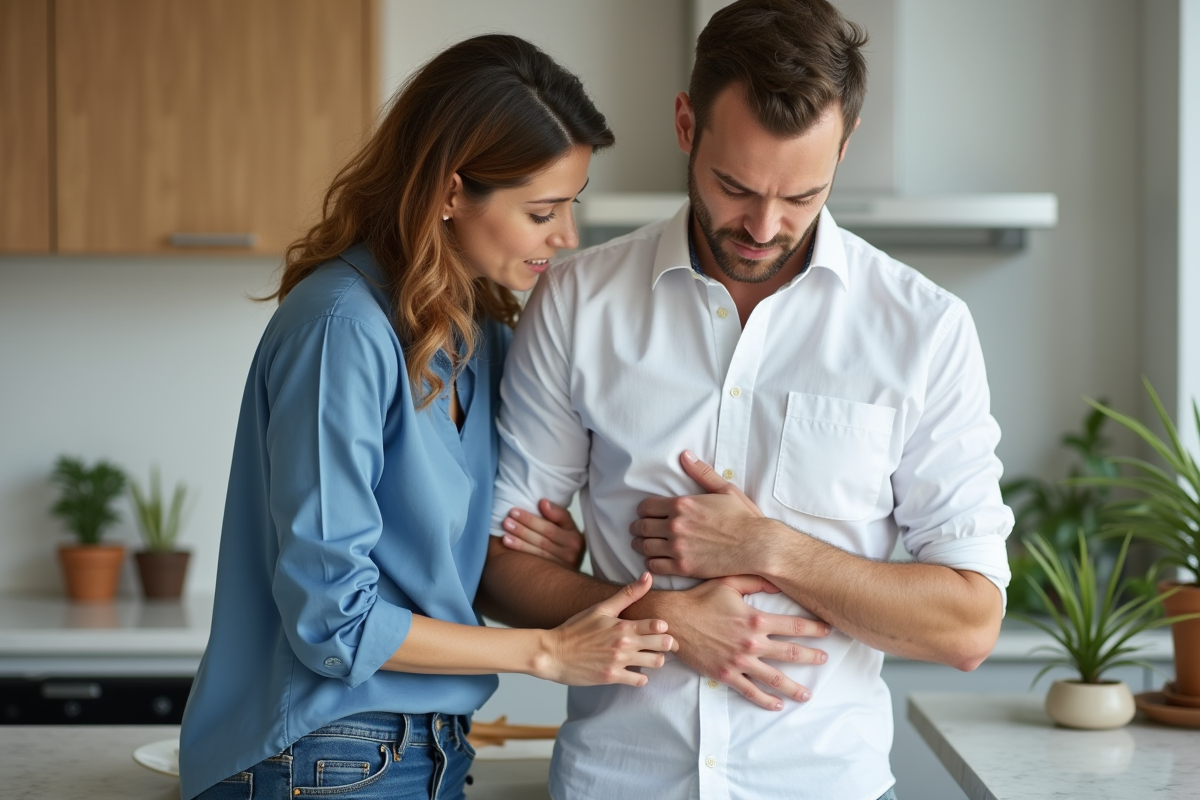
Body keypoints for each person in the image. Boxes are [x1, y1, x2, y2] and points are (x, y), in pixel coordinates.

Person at [480, 1, 1014, 799]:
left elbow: (970, 625)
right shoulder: (577, 302)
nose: (764, 226)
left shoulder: (925, 331)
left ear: (846, 143)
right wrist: (661, 616)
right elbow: (497, 568)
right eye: (736, 187)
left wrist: (768, 548)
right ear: (686, 124)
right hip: (618, 784)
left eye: (803, 196)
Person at [178, 34, 678, 800]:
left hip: (424, 748)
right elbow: (332, 620)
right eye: (541, 210)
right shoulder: (341, 328)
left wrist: (547, 545)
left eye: (570, 207)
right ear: (451, 192)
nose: (567, 237)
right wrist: (543, 652)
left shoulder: (479, 336)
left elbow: (459, 550)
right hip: (317, 754)